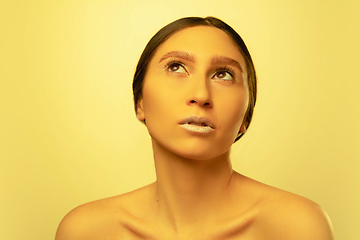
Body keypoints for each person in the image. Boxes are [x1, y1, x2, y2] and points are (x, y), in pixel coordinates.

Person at [55, 16, 334, 240]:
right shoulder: (85, 231)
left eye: (223, 74)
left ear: (246, 116)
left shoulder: (298, 228)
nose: (201, 95)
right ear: (140, 101)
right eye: (176, 67)